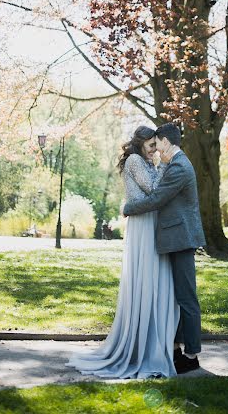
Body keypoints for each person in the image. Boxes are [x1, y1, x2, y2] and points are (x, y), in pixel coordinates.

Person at [65, 125, 180, 379]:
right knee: (145, 276)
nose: (154, 150)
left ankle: (153, 338)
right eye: (151, 146)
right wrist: (162, 164)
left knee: (154, 276)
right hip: (143, 225)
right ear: (140, 144)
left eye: (155, 145)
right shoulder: (137, 162)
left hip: (150, 222)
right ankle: (142, 343)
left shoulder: (143, 160)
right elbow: (153, 189)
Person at [123, 123, 206, 374]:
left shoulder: (179, 167)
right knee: (177, 297)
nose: (157, 149)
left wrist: (127, 209)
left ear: (166, 142)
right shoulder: (176, 164)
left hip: (181, 239)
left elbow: (157, 198)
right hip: (175, 238)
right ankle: (176, 349)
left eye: (157, 143)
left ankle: (191, 355)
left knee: (187, 298)